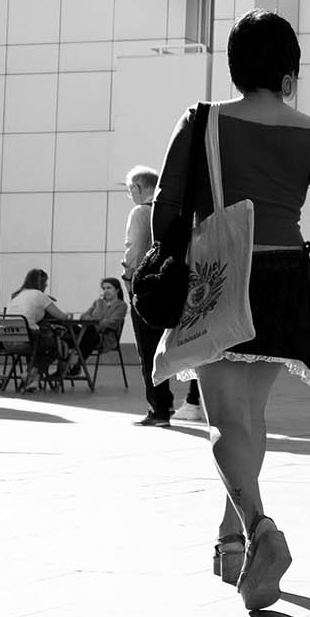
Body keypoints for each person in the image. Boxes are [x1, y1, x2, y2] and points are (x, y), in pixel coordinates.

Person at [152, 10, 310, 612]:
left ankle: (259, 531)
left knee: (224, 421)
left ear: (234, 64)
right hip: (288, 282)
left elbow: (167, 207)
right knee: (251, 417)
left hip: (223, 277)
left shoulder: (203, 122)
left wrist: (165, 265)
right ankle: (229, 544)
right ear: (289, 68)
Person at [122, 166, 204, 427]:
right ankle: (195, 400)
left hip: (150, 290)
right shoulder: (177, 212)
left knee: (149, 351)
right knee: (191, 345)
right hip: (180, 287)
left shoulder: (140, 212)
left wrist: (129, 281)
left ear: (137, 188)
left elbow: (134, 250)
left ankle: (159, 409)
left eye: (129, 191)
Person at [6, 269, 72, 385]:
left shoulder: (17, 295)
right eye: (45, 282)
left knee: (45, 345)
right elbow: (61, 316)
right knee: (57, 347)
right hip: (28, 341)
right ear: (40, 283)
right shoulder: (39, 295)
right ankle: (30, 373)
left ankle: (34, 379)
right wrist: (69, 316)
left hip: (8, 341)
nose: (47, 285)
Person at [74, 277, 128, 366]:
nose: (106, 291)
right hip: (87, 334)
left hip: (104, 337)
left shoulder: (121, 305)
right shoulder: (98, 302)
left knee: (89, 329)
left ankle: (77, 364)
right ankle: (67, 363)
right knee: (70, 329)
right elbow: (83, 317)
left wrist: (93, 322)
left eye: (109, 288)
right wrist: (96, 321)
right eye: (104, 288)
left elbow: (112, 323)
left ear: (117, 290)